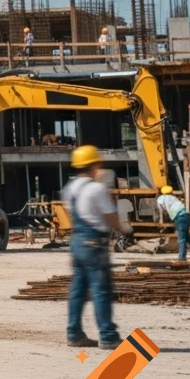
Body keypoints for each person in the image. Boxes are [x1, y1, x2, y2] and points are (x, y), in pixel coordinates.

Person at [62, 145, 129, 350]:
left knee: (78, 290)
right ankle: (108, 336)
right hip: (94, 243)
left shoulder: (70, 189)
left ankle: (74, 334)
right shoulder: (96, 189)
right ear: (95, 165)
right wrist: (125, 229)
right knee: (101, 291)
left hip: (77, 241)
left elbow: (69, 213)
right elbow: (111, 218)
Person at [157, 185, 190, 261]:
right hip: (185, 215)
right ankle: (183, 256)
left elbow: (161, 211)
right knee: (185, 237)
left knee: (182, 238)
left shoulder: (160, 199)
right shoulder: (174, 198)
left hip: (179, 216)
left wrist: (161, 220)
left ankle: (182, 258)